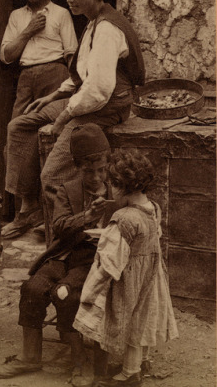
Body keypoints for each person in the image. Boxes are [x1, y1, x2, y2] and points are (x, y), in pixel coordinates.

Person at [4, 0, 145, 243]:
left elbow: (98, 90)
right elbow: (83, 74)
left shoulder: (107, 28)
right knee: (20, 124)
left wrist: (64, 116)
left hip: (106, 107)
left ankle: (67, 235)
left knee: (51, 176)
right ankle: (28, 208)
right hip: (87, 99)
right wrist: (53, 97)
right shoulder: (92, 23)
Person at [0, 123, 117, 387]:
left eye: (101, 170)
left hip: (98, 259)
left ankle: (80, 361)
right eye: (88, 171)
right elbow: (58, 226)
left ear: (108, 164)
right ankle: (30, 356)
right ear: (77, 167)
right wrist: (86, 217)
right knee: (33, 288)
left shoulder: (117, 191)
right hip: (65, 253)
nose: (96, 176)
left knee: (66, 294)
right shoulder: (66, 189)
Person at [74, 150, 179, 386]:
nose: (109, 189)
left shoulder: (123, 218)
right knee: (142, 319)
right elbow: (152, 238)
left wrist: (91, 290)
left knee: (130, 322)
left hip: (129, 279)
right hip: (150, 275)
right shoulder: (152, 208)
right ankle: (141, 362)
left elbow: (111, 261)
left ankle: (129, 374)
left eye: (111, 184)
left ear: (121, 187)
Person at [0, 0, 77, 239]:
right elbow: (7, 56)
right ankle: (26, 209)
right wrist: (29, 29)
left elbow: (72, 55)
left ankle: (51, 215)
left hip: (55, 75)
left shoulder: (61, 14)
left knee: (50, 139)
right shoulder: (17, 17)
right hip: (25, 78)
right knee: (18, 137)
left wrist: (70, 87)